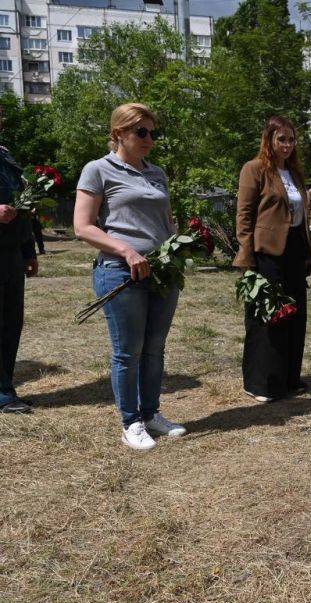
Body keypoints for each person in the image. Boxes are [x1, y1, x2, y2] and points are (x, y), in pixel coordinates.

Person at [74, 103, 185, 449]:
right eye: (141, 132)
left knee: (155, 348)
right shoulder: (98, 170)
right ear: (119, 133)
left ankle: (151, 413)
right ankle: (131, 422)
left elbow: (165, 221)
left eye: (153, 132)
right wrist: (126, 250)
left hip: (162, 271)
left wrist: (181, 240)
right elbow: (82, 227)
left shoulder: (157, 173)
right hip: (121, 270)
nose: (149, 138)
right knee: (129, 351)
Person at [234, 116, 311, 402]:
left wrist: (308, 252)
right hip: (266, 252)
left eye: (291, 139)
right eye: (282, 139)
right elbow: (244, 216)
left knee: (294, 316)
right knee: (266, 317)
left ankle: (289, 379)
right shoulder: (254, 169)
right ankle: (260, 383)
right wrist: (245, 257)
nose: (287, 145)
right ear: (269, 139)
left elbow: (303, 217)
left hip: (295, 250)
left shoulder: (295, 173)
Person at [0, 135, 38, 414]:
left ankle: (5, 388)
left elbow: (21, 202)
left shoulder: (5, 155)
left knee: (11, 322)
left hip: (11, 252)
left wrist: (29, 250)